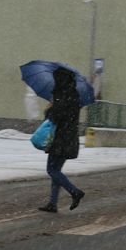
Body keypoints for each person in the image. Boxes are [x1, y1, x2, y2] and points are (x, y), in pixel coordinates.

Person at [38, 67, 85, 213]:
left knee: (52, 170)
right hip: (69, 138)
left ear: (60, 79)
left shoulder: (61, 94)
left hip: (60, 139)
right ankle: (52, 203)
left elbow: (56, 117)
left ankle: (75, 191)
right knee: (56, 171)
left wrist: (49, 110)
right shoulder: (74, 95)